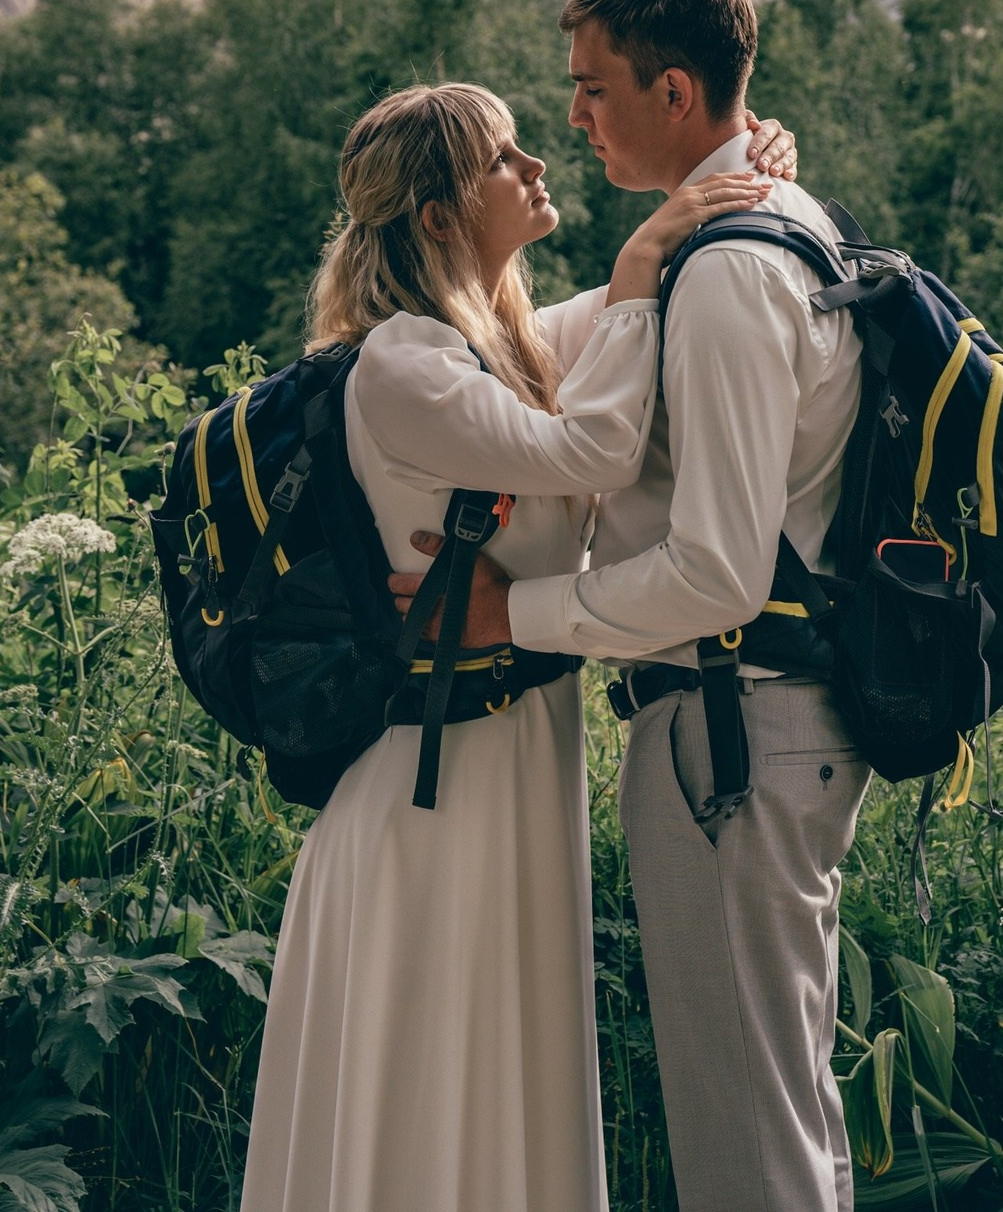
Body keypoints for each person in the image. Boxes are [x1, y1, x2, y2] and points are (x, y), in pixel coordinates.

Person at [238, 79, 794, 1212]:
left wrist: (745, 155)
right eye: (503, 156)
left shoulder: (504, 346)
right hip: (429, 800)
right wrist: (640, 258)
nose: (537, 165)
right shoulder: (403, 364)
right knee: (427, 1103)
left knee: (495, 1092)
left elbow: (639, 310)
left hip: (506, 771)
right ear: (440, 214)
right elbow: (598, 448)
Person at [393, 0, 868, 1212]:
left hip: (730, 727)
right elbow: (549, 357)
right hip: (756, 725)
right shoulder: (760, 232)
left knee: (746, 1137)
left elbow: (717, 571)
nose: (572, 116)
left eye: (592, 86)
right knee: (780, 1112)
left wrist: (514, 614)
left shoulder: (732, 271)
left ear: (674, 92)